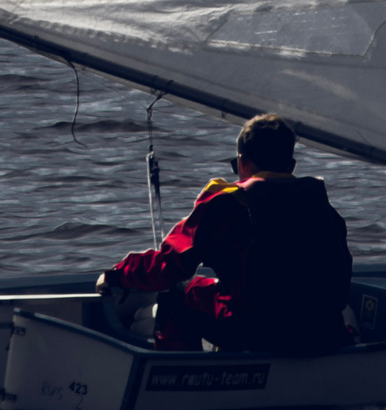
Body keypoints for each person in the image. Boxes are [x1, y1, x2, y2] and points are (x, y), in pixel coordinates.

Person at [99, 114, 353, 356]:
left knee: (175, 295)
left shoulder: (227, 204)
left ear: (242, 162)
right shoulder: (323, 209)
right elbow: (340, 282)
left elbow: (170, 267)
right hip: (323, 334)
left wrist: (117, 274)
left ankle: (182, 379)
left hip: (256, 332)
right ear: (291, 165)